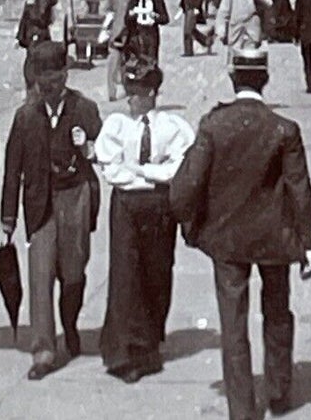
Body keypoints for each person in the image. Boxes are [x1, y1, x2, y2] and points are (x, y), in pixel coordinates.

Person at [169, 48, 311, 420]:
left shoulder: (213, 125)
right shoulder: (285, 129)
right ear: (265, 79)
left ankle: (241, 409)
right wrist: (309, 242)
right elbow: (299, 188)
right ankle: (279, 389)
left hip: (228, 241)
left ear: (232, 77)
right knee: (278, 311)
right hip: (276, 237)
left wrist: (191, 227)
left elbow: (185, 187)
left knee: (233, 324)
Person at [1, 41, 102, 379]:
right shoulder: (25, 116)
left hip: (76, 199)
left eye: (55, 80)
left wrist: (88, 147)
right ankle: (43, 350)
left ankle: (70, 324)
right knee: (40, 276)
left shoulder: (84, 108)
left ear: (65, 76)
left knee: (73, 274)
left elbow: (105, 147)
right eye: (42, 82)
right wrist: (8, 219)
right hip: (40, 205)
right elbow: (12, 169)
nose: (49, 87)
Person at [94, 57, 196, 383]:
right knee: (125, 274)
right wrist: (150, 173)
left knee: (157, 270)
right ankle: (124, 353)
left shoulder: (173, 127)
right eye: (128, 91)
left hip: (159, 207)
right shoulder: (116, 126)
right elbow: (112, 169)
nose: (130, 99)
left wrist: (142, 171)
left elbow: (179, 168)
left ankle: (149, 344)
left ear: (151, 92)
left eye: (136, 92)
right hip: (126, 205)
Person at [215, 0, 270, 68]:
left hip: (252, 35)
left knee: (251, 64)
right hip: (235, 34)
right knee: (234, 65)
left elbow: (268, 3)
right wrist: (221, 32)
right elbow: (223, 13)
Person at [116, 0, 169, 67]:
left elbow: (165, 19)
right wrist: (132, 16)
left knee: (151, 62)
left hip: (151, 33)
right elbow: (126, 20)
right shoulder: (134, 0)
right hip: (137, 33)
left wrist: (155, 17)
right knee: (138, 62)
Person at [99, 0, 137, 102]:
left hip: (116, 32)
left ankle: (112, 93)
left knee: (112, 64)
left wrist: (104, 30)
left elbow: (109, 13)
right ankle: (130, 89)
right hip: (131, 32)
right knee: (130, 62)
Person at [15, 0, 57, 91]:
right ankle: (33, 88)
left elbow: (42, 19)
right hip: (30, 36)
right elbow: (24, 19)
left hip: (40, 36)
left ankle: (37, 88)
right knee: (31, 64)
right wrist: (19, 37)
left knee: (35, 64)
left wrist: (31, 6)